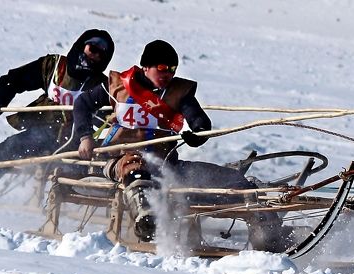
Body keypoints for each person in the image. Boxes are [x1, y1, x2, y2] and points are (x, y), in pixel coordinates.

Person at [73, 40, 288, 251]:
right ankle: (146, 219)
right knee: (134, 166)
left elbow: (199, 121)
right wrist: (85, 137)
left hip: (166, 165)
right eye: (162, 68)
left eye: (172, 69)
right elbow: (82, 103)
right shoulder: (117, 85)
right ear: (146, 66)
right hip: (118, 162)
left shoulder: (178, 92)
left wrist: (198, 134)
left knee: (233, 180)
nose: (168, 73)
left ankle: (269, 235)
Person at [0, 29, 115, 204]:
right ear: (82, 46)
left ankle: (74, 207)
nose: (95, 55)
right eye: (93, 48)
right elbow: (15, 79)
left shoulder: (101, 85)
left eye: (101, 54)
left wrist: (112, 120)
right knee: (6, 149)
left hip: (75, 141)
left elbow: (112, 113)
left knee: (83, 170)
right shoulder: (54, 66)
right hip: (42, 132)